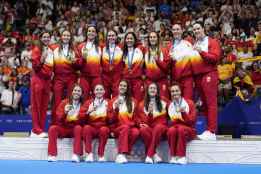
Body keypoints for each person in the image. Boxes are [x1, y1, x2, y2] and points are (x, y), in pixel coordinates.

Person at [192, 22, 221, 140]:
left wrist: (201, 52)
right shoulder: (195, 44)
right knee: (204, 105)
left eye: (198, 28)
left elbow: (215, 58)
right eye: (194, 30)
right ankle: (208, 130)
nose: (196, 31)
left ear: (203, 29)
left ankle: (212, 131)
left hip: (209, 74)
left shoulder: (212, 41)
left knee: (211, 104)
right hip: (198, 76)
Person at [44, 29, 79, 125]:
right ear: (61, 37)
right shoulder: (54, 48)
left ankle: (70, 122)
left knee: (71, 100)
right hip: (58, 77)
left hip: (71, 77)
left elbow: (79, 65)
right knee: (57, 101)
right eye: (64, 35)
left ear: (70, 37)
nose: (66, 37)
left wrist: (75, 61)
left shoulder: (75, 50)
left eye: (68, 35)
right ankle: (56, 123)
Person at [47, 84, 84, 163]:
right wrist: (65, 112)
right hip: (64, 128)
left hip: (75, 128)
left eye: (79, 91)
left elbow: (84, 121)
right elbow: (58, 118)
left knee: (78, 128)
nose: (76, 92)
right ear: (72, 92)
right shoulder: (64, 102)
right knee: (52, 129)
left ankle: (76, 154)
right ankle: (52, 154)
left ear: (81, 93)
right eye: (75, 90)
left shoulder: (84, 105)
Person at [108, 79, 139, 163]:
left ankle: (125, 153)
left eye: (124, 86)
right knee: (125, 127)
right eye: (121, 85)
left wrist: (140, 124)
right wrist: (116, 109)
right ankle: (120, 154)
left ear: (127, 88)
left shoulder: (134, 101)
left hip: (129, 127)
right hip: (117, 128)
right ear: (118, 87)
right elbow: (110, 120)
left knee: (136, 132)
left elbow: (135, 118)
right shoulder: (112, 101)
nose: (122, 87)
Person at [137, 82, 168, 163]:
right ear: (147, 90)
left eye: (154, 88)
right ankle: (154, 154)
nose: (152, 90)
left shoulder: (164, 100)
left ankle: (149, 155)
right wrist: (149, 114)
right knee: (143, 130)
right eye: (151, 88)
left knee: (158, 127)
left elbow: (172, 110)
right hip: (150, 127)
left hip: (162, 128)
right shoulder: (141, 104)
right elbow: (142, 120)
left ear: (157, 90)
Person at [167, 82, 197, 165]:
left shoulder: (190, 103)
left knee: (181, 129)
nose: (174, 93)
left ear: (180, 92)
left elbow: (192, 121)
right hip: (176, 128)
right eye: (172, 91)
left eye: (176, 91)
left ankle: (182, 157)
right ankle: (173, 156)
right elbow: (169, 122)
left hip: (189, 130)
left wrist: (183, 113)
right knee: (171, 130)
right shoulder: (169, 104)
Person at [81, 84, 110, 162]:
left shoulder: (108, 102)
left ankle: (101, 155)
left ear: (104, 91)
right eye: (97, 89)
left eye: (101, 89)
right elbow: (81, 117)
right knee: (86, 128)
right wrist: (88, 111)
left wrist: (109, 111)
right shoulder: (88, 102)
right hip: (92, 127)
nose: (99, 91)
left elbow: (112, 119)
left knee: (104, 129)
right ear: (94, 92)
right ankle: (89, 154)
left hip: (103, 127)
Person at [30, 31, 51, 137]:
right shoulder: (36, 50)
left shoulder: (51, 50)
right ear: (41, 38)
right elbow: (35, 67)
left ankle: (41, 129)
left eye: (48, 37)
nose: (46, 39)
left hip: (47, 81)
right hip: (38, 79)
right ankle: (35, 130)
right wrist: (42, 59)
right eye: (44, 37)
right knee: (36, 106)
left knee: (43, 106)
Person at [169, 23, 194, 100]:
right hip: (175, 80)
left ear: (182, 31)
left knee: (187, 102)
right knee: (176, 104)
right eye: (174, 30)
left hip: (187, 78)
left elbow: (193, 62)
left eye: (178, 29)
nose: (176, 31)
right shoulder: (169, 46)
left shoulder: (188, 44)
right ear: (172, 31)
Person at [77, 25, 102, 99]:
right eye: (89, 31)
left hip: (96, 76)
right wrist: (83, 59)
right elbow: (78, 64)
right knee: (83, 98)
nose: (91, 33)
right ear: (86, 33)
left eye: (93, 31)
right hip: (84, 77)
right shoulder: (80, 46)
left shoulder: (101, 46)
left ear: (96, 34)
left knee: (97, 97)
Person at [144, 31, 170, 98]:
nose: (152, 39)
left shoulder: (164, 50)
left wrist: (157, 60)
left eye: (154, 37)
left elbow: (167, 68)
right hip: (149, 81)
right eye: (151, 37)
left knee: (163, 102)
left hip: (161, 81)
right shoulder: (145, 50)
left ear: (158, 38)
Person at [121, 32, 144, 101]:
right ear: (125, 40)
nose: (129, 40)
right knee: (127, 100)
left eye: (131, 38)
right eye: (127, 38)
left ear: (135, 40)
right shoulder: (123, 51)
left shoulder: (141, 49)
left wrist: (143, 74)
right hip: (126, 79)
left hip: (137, 79)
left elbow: (146, 62)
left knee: (138, 99)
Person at [101, 30, 123, 98]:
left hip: (117, 76)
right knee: (105, 95)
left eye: (113, 35)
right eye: (109, 36)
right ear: (107, 37)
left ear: (116, 37)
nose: (111, 37)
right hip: (105, 76)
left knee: (116, 95)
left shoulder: (121, 47)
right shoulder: (102, 47)